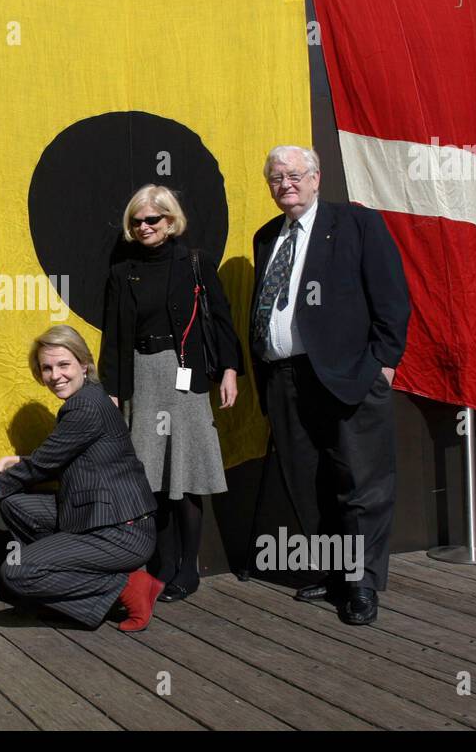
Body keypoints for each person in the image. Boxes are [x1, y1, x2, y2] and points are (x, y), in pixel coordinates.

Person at [249, 145, 410, 625]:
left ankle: (361, 584)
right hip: (284, 379)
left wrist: (382, 363)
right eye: (276, 177)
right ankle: (337, 571)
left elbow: (392, 300)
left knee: (360, 482)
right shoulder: (265, 237)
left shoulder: (357, 225)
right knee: (309, 483)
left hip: (348, 377)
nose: (286, 184)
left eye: (295, 174)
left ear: (317, 178)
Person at [0, 326, 164, 632]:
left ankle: (128, 584)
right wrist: (13, 461)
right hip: (97, 515)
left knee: (17, 572)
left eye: (63, 365)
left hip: (122, 532)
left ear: (84, 364)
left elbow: (45, 464)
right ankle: (68, 578)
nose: (55, 375)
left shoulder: (85, 405)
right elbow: (62, 455)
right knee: (16, 504)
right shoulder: (90, 398)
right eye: (46, 368)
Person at [99, 185, 243, 603]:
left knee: (187, 473)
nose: (144, 227)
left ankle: (188, 568)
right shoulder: (121, 272)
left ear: (170, 220)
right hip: (142, 378)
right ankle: (161, 565)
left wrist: (230, 370)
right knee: (150, 479)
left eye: (152, 220)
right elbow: (113, 338)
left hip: (186, 375)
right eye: (137, 221)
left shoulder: (195, 263)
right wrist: (112, 390)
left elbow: (220, 318)